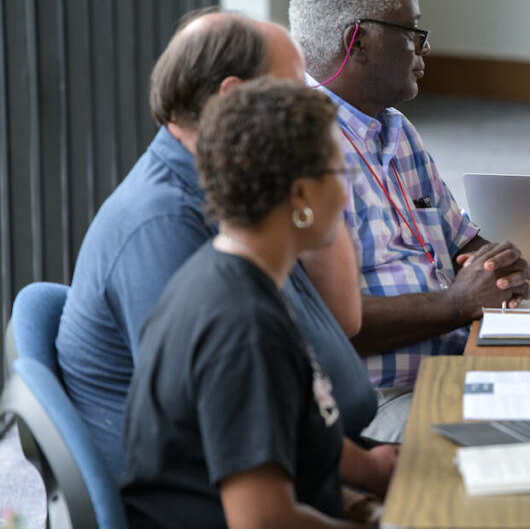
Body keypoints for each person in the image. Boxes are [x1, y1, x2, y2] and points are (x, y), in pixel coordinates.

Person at [55, 9, 394, 495]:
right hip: (249, 485)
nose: (317, 107)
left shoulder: (251, 192)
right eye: (294, 91)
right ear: (234, 99)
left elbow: (343, 319)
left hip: (326, 451)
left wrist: (315, 175)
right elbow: (224, 425)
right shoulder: (165, 223)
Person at [289, 0, 530, 442]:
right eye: (412, 32)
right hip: (373, 402)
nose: (424, 49)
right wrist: (457, 302)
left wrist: (499, 264)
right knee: (525, 443)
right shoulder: (299, 148)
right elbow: (332, 322)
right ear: (358, 42)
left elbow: (463, 238)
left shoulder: (396, 130)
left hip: (458, 360)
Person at [122, 78, 361, 527]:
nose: (347, 193)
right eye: (342, 173)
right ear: (301, 195)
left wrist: (369, 494)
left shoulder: (226, 271)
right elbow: (263, 521)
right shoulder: (244, 325)